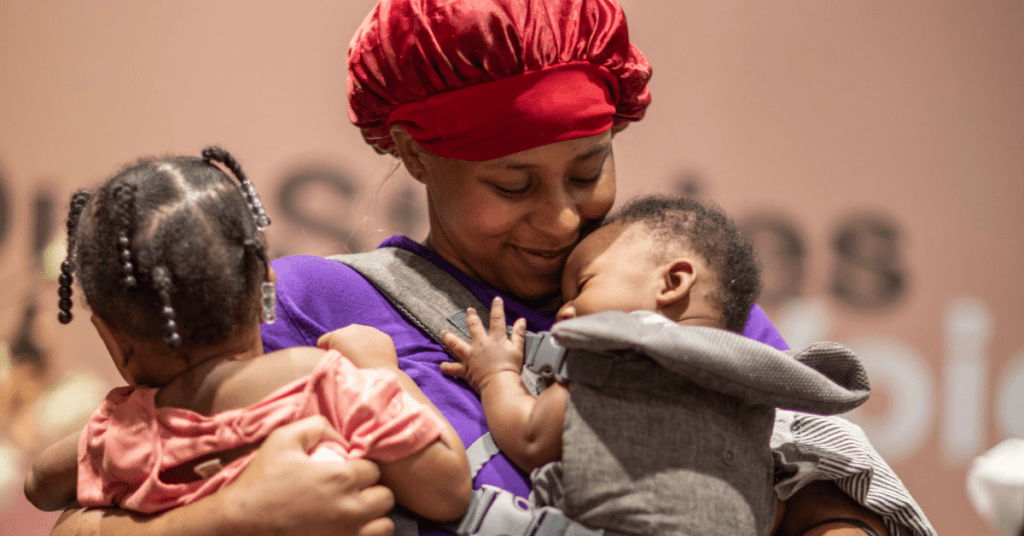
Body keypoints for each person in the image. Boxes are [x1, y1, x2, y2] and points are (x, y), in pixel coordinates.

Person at [50, 1, 935, 535]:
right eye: (512, 183)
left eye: (588, 172)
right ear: (412, 152)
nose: (559, 218)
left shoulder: (677, 290)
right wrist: (231, 520)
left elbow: (821, 472)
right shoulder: (314, 306)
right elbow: (88, 505)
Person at [27, 148, 470, 521]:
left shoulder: (123, 429)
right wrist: (382, 370)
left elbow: (39, 484)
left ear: (111, 338)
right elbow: (447, 491)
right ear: (265, 288)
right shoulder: (323, 382)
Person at [440, 194, 872, 536]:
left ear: (672, 282)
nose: (563, 312)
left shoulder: (621, 354)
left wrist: (495, 372)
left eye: (581, 285)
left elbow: (531, 438)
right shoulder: (752, 388)